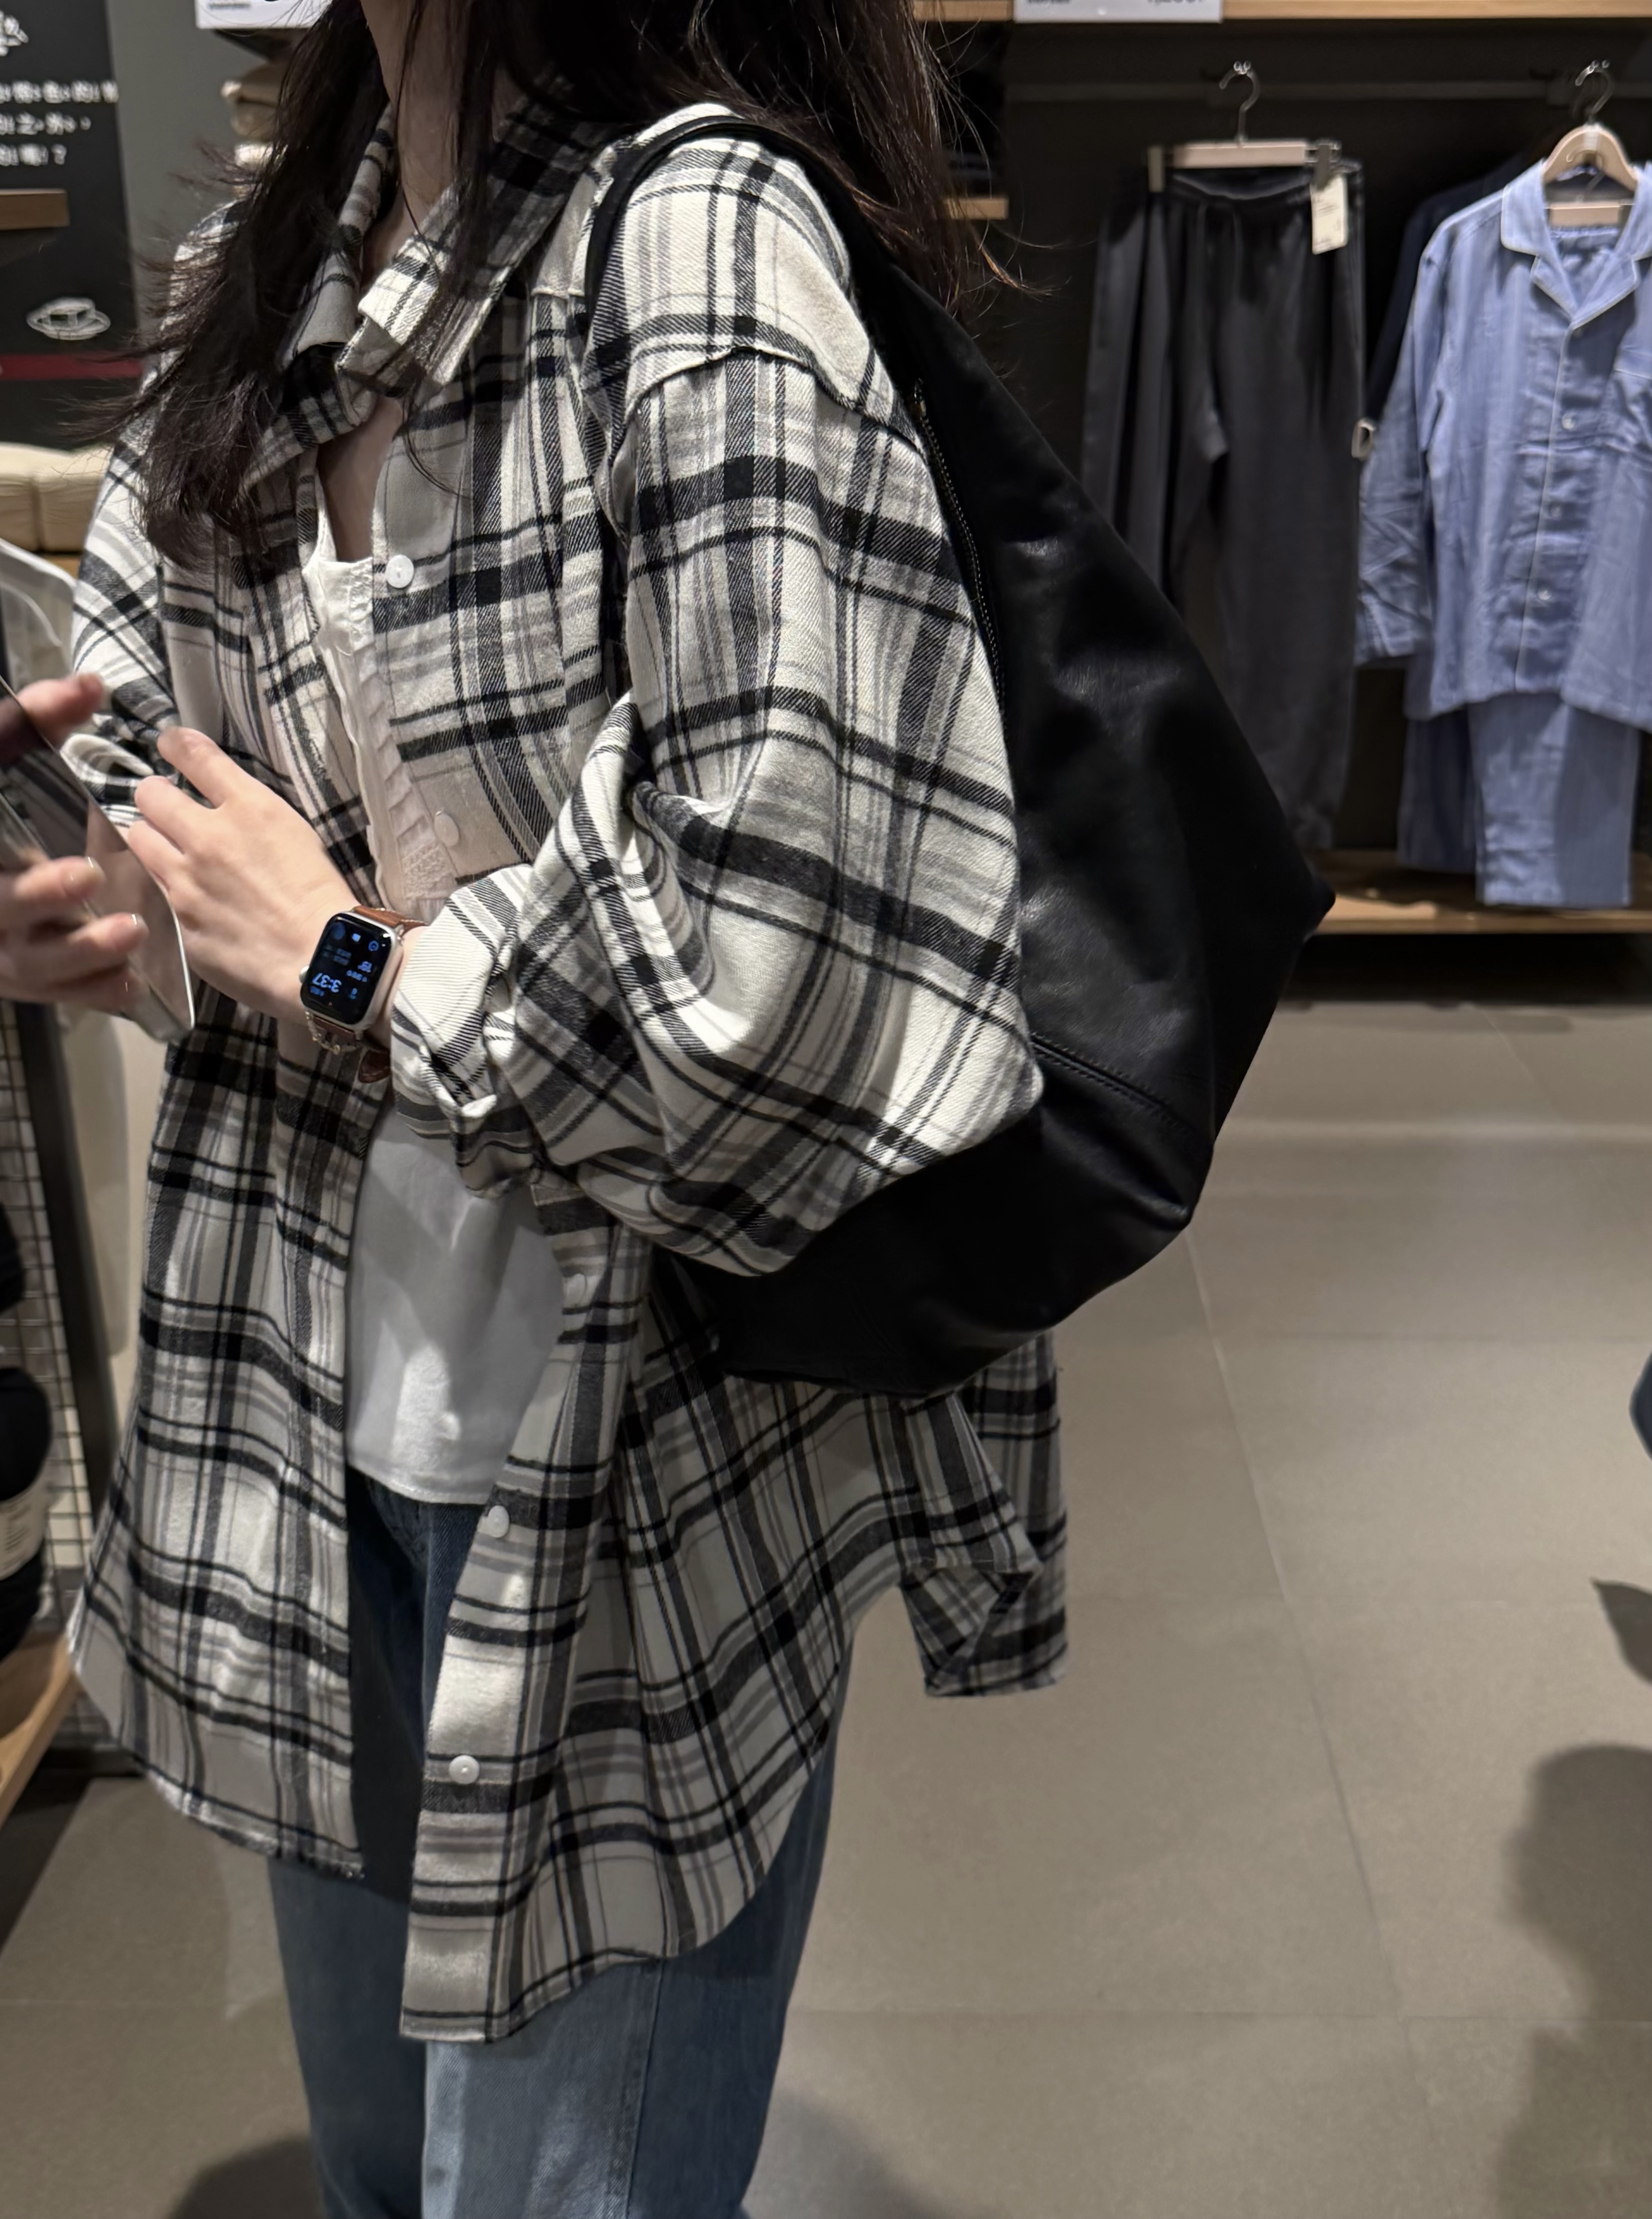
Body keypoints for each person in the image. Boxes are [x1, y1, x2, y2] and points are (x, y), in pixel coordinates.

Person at [0, 3, 1066, 2212]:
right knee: (385, 2168)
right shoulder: (261, 268)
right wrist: (101, 899)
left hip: (624, 1468)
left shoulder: (696, 244)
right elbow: (155, 758)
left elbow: (769, 993)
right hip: (306, 1416)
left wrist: (346, 955)